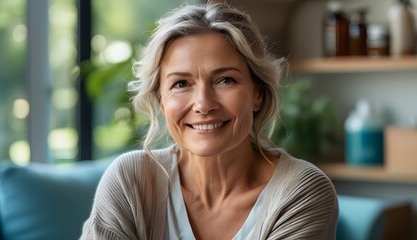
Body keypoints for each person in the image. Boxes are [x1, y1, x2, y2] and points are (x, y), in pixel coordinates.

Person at [80, 2, 338, 240]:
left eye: (225, 80)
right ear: (162, 102)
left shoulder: (302, 192)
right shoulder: (130, 181)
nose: (203, 104)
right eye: (181, 84)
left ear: (257, 94)